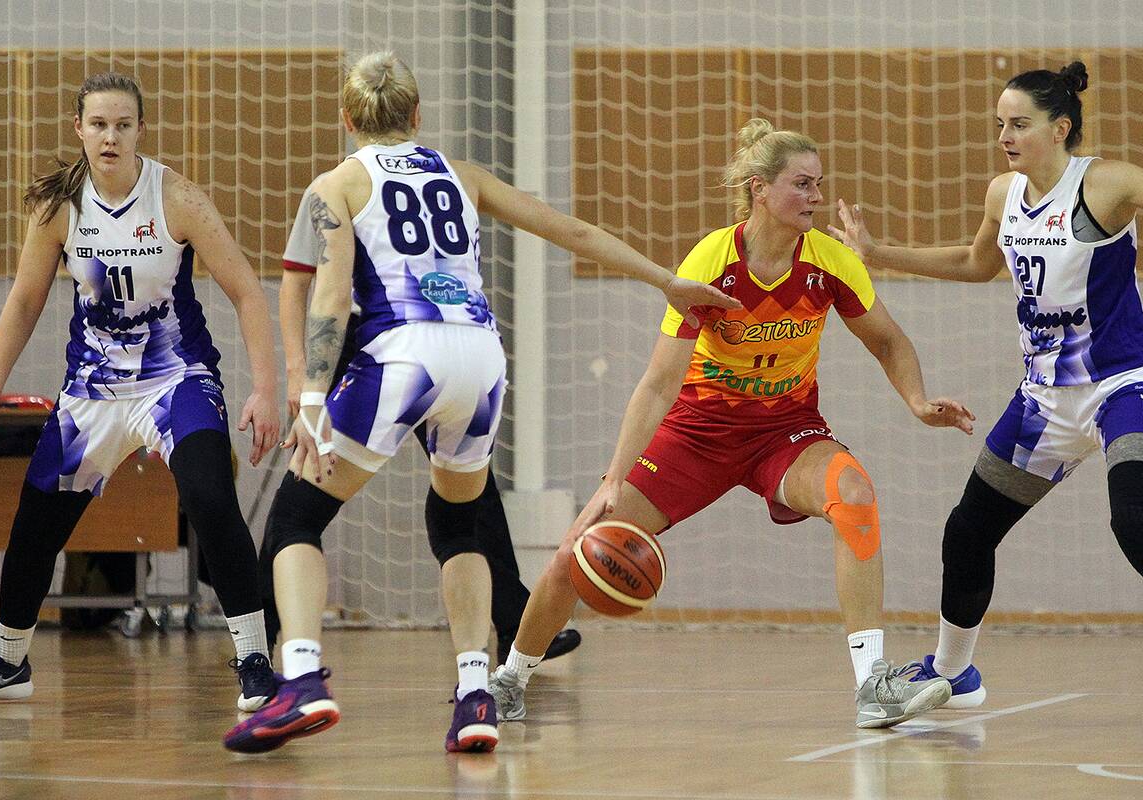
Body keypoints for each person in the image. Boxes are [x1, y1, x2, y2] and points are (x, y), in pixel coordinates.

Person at [222, 51, 740, 755]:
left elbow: (332, 294)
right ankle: (475, 693)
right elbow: (569, 230)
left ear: (346, 119)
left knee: (296, 519)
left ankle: (303, 679)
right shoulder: (461, 175)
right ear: (418, 114)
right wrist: (665, 281)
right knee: (458, 525)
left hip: (401, 354)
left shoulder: (335, 184)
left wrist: (312, 393)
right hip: (481, 357)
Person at [830, 63, 1143, 729]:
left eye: (1018, 124)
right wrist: (879, 253)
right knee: (968, 530)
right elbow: (975, 263)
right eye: (999, 124)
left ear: (1060, 128)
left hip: (1125, 385)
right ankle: (953, 673)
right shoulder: (1003, 193)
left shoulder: (1106, 184)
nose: (1004, 136)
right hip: (1044, 401)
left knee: (1138, 525)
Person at [487, 118, 976, 731]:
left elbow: (888, 340)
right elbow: (659, 384)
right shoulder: (710, 263)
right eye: (802, 184)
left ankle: (872, 686)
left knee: (854, 494)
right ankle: (509, 680)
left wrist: (917, 400)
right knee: (579, 547)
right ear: (759, 189)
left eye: (819, 183)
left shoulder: (830, 263)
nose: (817, 197)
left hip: (784, 431)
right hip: (699, 431)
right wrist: (614, 477)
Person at [0, 72, 281, 712]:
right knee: (35, 524)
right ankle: (8, 660)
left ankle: (255, 660)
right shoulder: (59, 207)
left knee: (209, 495)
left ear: (141, 130)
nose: (110, 137)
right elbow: (25, 301)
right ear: (79, 130)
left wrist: (265, 389)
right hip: (92, 391)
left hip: (174, 380)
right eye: (98, 125)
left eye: (122, 125)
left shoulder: (177, 198)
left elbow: (247, 291)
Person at [256, 189, 584, 664]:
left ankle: (514, 620)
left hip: (419, 338)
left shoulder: (437, 178)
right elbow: (301, 284)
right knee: (302, 494)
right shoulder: (341, 185)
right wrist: (301, 377)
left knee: (469, 491)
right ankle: (263, 634)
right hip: (361, 339)